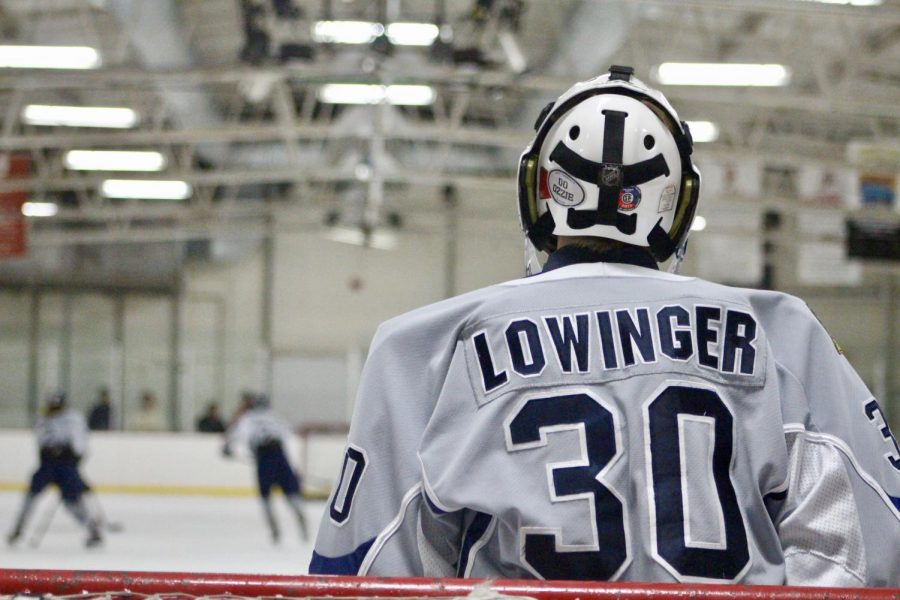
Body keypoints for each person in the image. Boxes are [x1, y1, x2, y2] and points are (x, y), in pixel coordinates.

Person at [309, 66, 900, 586]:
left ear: (538, 191)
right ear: (676, 206)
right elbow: (864, 543)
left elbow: (368, 567)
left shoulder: (425, 348)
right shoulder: (782, 332)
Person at [7, 391, 103, 548]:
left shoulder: (73, 419)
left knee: (72, 502)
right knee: (30, 496)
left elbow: (80, 443)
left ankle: (92, 529)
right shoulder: (43, 418)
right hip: (47, 465)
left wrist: (74, 460)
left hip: (66, 466)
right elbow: (40, 441)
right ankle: (18, 528)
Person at [223, 392, 308, 542]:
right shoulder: (275, 416)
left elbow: (235, 436)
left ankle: (275, 532)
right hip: (280, 457)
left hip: (263, 458)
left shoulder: (247, 418)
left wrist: (227, 448)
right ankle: (303, 528)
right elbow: (288, 436)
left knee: (265, 497)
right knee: (292, 495)